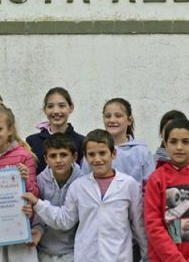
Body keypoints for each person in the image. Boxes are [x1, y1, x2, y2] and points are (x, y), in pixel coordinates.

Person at [23, 129, 148, 262]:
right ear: (86, 157)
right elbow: (64, 220)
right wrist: (37, 203)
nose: (97, 159)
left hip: (119, 256)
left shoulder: (129, 185)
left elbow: (138, 225)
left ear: (113, 153)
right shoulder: (78, 186)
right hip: (87, 256)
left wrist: (146, 256)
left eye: (102, 153)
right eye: (92, 154)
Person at [144, 118, 189, 261]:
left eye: (185, 142)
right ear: (165, 145)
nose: (179, 147)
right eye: (173, 142)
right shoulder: (156, 180)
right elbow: (154, 225)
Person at [0, 102, 39, 262]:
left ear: (10, 130)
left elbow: (34, 193)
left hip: (19, 225)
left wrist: (26, 178)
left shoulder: (24, 156)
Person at [31, 133, 83, 262]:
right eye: (53, 156)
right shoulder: (39, 181)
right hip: (43, 251)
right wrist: (37, 229)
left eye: (63, 155)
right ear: (46, 159)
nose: (58, 160)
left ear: (74, 157)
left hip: (74, 252)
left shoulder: (83, 182)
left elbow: (73, 220)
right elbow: (37, 217)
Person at [82, 97, 155, 186]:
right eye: (108, 116)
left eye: (118, 116)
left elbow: (150, 186)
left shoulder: (142, 152)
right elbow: (85, 183)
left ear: (129, 120)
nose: (112, 120)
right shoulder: (93, 151)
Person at [26, 87, 83, 174]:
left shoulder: (81, 142)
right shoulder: (32, 142)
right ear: (45, 110)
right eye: (50, 106)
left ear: (71, 108)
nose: (56, 111)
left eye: (61, 106)